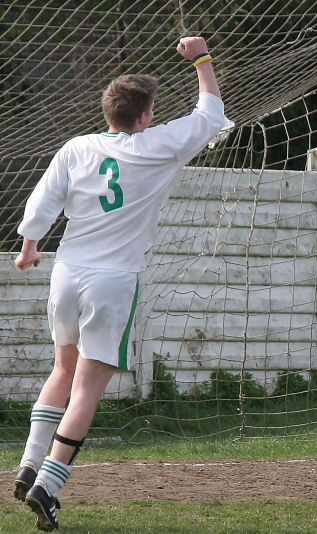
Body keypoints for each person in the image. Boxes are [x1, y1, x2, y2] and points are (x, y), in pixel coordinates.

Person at [12, 37, 224, 532]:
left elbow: (44, 198)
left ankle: (27, 463)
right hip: (112, 282)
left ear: (108, 110)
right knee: (88, 388)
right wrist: (202, 58)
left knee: (62, 370)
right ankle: (48, 485)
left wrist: (28, 244)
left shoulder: (77, 148)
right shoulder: (157, 146)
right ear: (146, 116)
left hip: (67, 273)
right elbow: (211, 113)